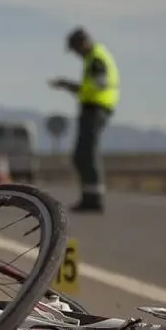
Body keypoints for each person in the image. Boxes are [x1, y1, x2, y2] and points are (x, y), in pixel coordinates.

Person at [49, 27, 120, 213]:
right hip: (92, 107)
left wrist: (72, 86)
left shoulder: (96, 58)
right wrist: (69, 86)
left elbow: (98, 85)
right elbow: (89, 87)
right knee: (82, 154)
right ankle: (89, 197)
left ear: (82, 42)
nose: (75, 53)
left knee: (87, 152)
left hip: (96, 108)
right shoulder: (92, 58)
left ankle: (94, 199)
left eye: (75, 48)